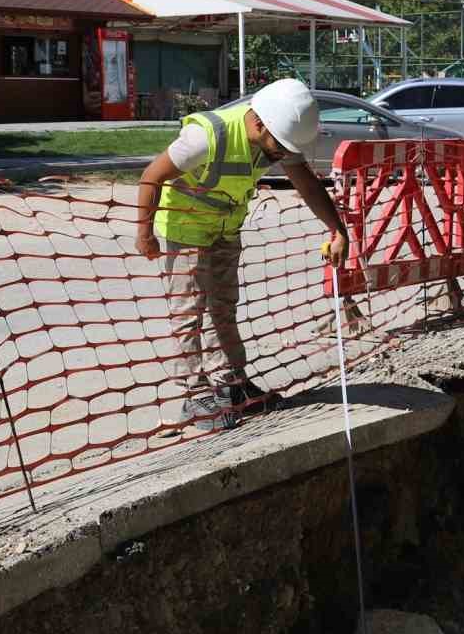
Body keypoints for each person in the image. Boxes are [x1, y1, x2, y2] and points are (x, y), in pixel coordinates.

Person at [134, 77, 349, 431]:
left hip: (224, 230)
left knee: (224, 308)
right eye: (280, 145)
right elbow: (151, 176)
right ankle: (194, 396)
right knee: (189, 314)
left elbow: (308, 184)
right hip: (185, 231)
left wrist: (337, 229)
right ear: (260, 122)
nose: (283, 154)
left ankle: (230, 385)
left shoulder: (275, 137)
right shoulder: (207, 137)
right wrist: (144, 233)